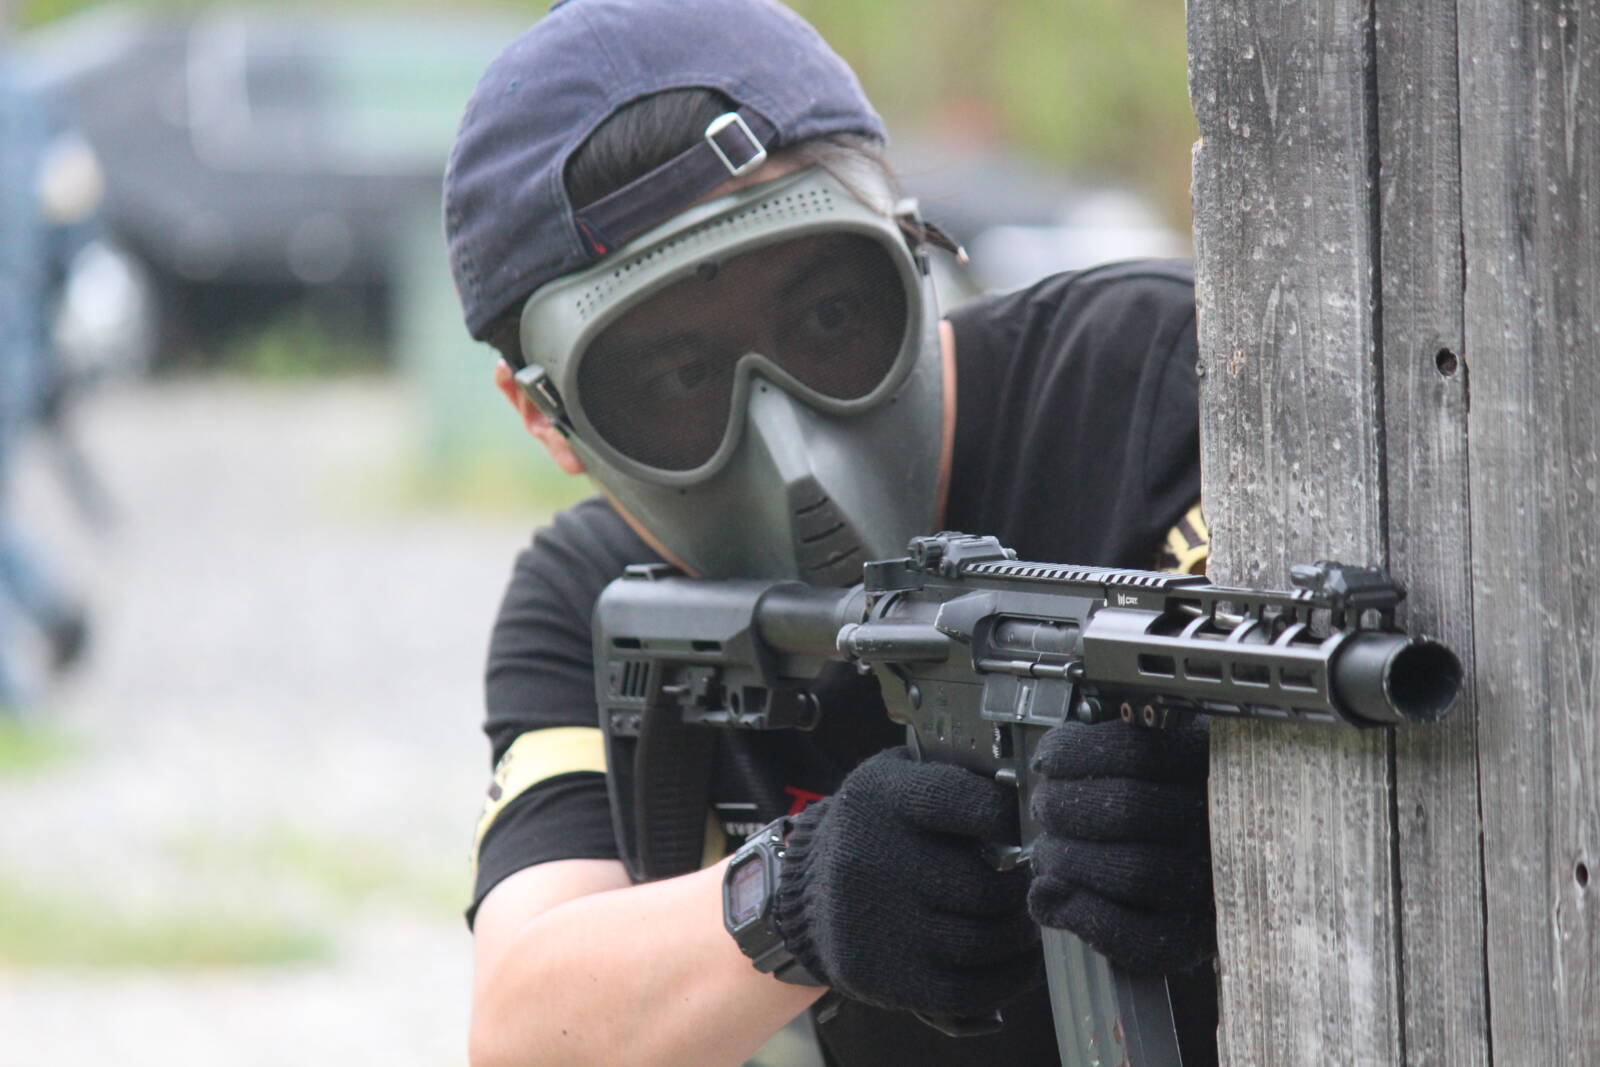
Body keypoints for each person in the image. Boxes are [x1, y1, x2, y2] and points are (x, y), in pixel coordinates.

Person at [444, 2, 1215, 1064]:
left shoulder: (1180, 387)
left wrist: (1242, 828)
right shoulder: (591, 591)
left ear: (912, 239)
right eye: (677, 379)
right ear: (543, 417)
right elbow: (525, 1028)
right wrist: (795, 901)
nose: (791, 446)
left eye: (830, 317)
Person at [0, 56, 96, 714]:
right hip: (20, 340)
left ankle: (16, 696)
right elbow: (75, 225)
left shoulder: (34, 104)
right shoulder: (39, 106)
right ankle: (48, 604)